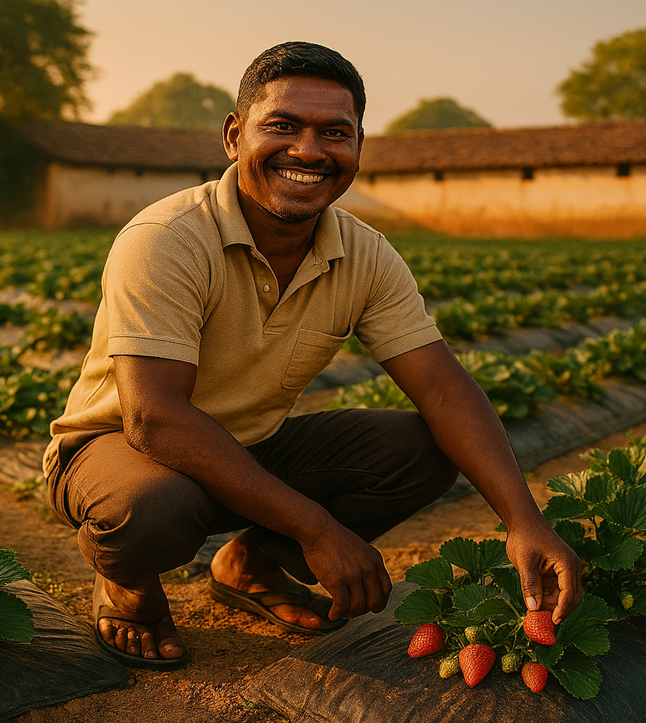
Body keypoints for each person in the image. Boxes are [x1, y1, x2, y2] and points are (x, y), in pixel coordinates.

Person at [44, 41, 582, 668]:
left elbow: (441, 387)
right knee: (151, 510)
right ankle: (128, 585)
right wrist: (319, 531)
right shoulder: (166, 239)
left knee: (425, 449)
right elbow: (154, 418)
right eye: (282, 126)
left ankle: (247, 562)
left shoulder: (365, 255)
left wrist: (525, 520)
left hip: (247, 447)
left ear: (357, 147)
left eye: (334, 132)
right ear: (233, 135)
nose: (308, 150)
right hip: (120, 451)